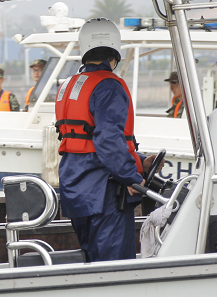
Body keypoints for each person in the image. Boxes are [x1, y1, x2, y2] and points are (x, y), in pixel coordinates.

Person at [55, 18, 150, 261]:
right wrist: (132, 176)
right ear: (114, 54)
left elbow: (85, 141)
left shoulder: (67, 86)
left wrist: (139, 160)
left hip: (75, 190)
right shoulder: (109, 86)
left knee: (92, 263)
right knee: (114, 268)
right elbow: (107, 141)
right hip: (105, 192)